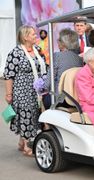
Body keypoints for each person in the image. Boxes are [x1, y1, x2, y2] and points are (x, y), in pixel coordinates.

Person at [3, 25, 47, 156]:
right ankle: (27, 145)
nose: (36, 36)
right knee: (26, 115)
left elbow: (44, 67)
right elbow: (8, 75)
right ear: (25, 37)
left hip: (38, 90)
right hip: (22, 91)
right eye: (33, 34)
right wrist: (8, 94)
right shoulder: (15, 53)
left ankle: (22, 141)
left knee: (36, 114)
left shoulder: (38, 49)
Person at [43, 28, 83, 109]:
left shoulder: (57, 56)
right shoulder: (79, 59)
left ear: (64, 43)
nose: (57, 41)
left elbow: (48, 82)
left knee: (44, 98)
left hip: (60, 98)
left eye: (59, 39)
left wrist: (42, 88)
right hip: (75, 97)